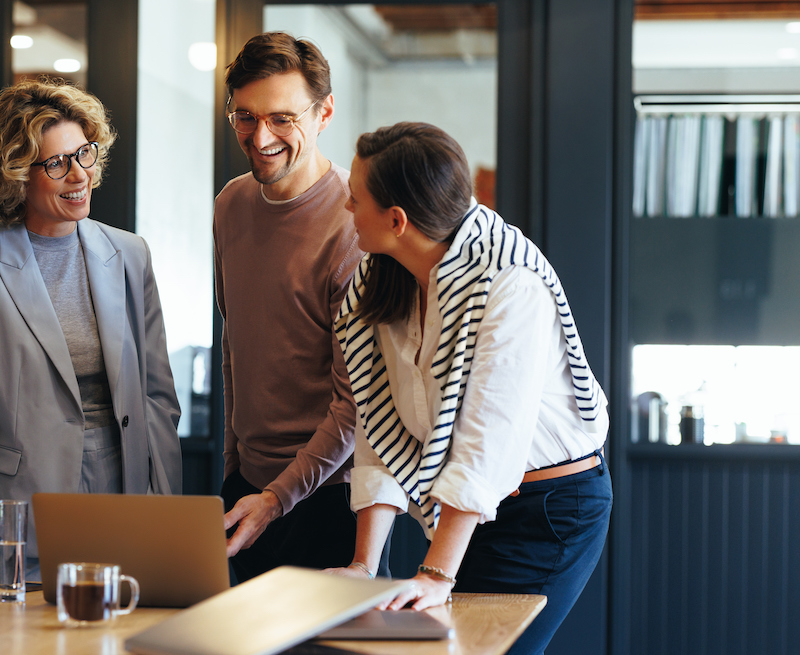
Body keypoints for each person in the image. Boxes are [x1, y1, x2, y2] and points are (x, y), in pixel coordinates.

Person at [330, 122, 613, 655]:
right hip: (470, 509)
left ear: (397, 220)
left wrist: (436, 572)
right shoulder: (382, 278)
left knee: (483, 650)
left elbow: (489, 446)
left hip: (549, 510)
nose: (347, 208)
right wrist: (363, 566)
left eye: (355, 199)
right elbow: (378, 423)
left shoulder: (510, 285)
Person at [214, 32, 384, 583]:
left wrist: (276, 497)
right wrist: (234, 471)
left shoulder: (354, 225)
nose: (260, 137)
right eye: (244, 116)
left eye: (282, 118)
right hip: (245, 492)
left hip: (329, 497)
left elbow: (356, 402)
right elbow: (235, 347)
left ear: (325, 112)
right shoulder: (230, 204)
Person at [0, 78, 182, 580]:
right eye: (56, 163)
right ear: (19, 174)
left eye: (84, 153)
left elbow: (158, 397)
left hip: (121, 487)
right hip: (24, 499)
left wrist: (165, 508)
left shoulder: (128, 253)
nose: (78, 174)